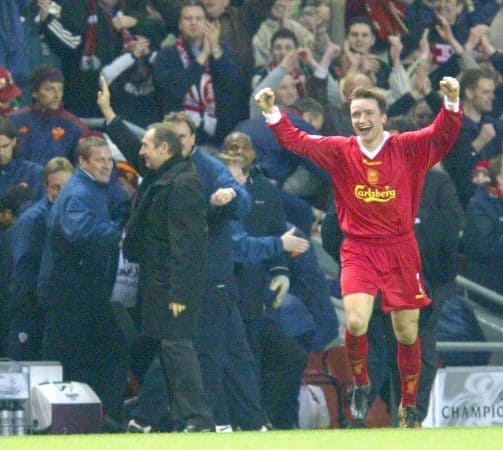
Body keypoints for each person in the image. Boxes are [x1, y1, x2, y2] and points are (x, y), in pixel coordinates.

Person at [254, 75, 463, 428]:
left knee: (408, 333)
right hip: (359, 249)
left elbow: (441, 135)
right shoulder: (341, 150)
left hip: (400, 249)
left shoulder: (406, 148)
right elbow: (299, 141)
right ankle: (361, 383)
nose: (361, 120)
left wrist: (452, 103)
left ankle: (409, 405)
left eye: (368, 112)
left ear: (383, 117)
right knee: (354, 319)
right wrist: (272, 112)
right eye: (355, 114)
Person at [121, 122, 214, 433]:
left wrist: (179, 293)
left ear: (165, 149)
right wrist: (109, 118)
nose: (141, 151)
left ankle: (198, 420)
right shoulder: (164, 175)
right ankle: (184, 420)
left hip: (171, 286)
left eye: (147, 145)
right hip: (158, 281)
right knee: (169, 350)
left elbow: (187, 246)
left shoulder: (183, 183)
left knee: (176, 348)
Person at [38, 136, 128, 431]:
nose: (106, 165)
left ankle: (92, 417)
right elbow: (81, 230)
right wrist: (120, 235)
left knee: (98, 351)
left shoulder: (99, 187)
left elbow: (121, 206)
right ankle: (77, 419)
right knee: (78, 356)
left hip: (85, 291)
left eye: (108, 160)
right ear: (83, 162)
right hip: (70, 293)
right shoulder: (77, 191)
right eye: (99, 160)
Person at [8, 156, 74, 361]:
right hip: (33, 312)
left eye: (67, 186)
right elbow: (23, 272)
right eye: (56, 187)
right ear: (46, 187)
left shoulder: (79, 215)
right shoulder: (32, 220)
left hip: (62, 311)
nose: (62, 193)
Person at [8, 65, 93, 167]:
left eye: (60, 89)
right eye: (50, 89)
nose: (57, 95)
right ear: (35, 93)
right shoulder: (13, 121)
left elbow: (84, 167)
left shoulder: (75, 127)